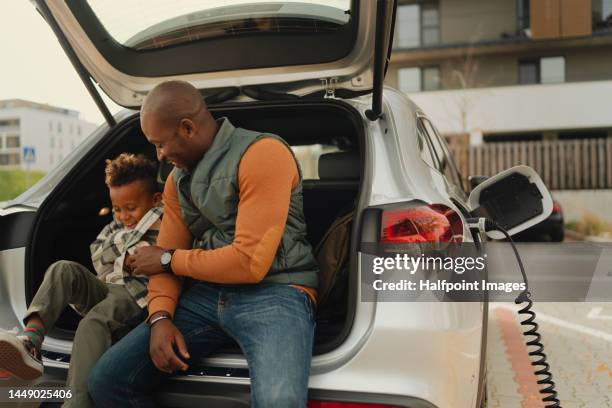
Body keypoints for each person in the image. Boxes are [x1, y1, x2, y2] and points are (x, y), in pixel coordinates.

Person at [88, 80, 319, 408]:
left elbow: (249, 263)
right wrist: (160, 318)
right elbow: (164, 254)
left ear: (187, 128)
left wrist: (168, 260)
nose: (160, 156)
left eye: (160, 145)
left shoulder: (263, 154)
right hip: (207, 296)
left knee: (278, 401)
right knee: (107, 380)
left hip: (278, 291)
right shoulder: (176, 182)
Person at [0, 153, 163, 407]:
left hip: (139, 295)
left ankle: (76, 402)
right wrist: (126, 251)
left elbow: (130, 251)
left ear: (155, 200)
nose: (123, 217)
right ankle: (31, 341)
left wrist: (123, 250)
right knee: (62, 269)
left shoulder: (164, 219)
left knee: (91, 324)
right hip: (111, 286)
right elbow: (97, 253)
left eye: (131, 208)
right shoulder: (117, 227)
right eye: (117, 209)